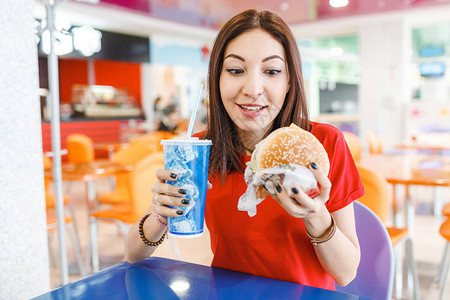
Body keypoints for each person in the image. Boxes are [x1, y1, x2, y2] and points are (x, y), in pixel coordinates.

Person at [125, 9, 364, 291]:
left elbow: (347, 273)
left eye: (272, 71)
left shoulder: (322, 144)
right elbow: (132, 254)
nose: (252, 88)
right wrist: (159, 211)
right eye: (236, 70)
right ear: (217, 79)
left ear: (289, 81)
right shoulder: (199, 151)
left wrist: (315, 216)